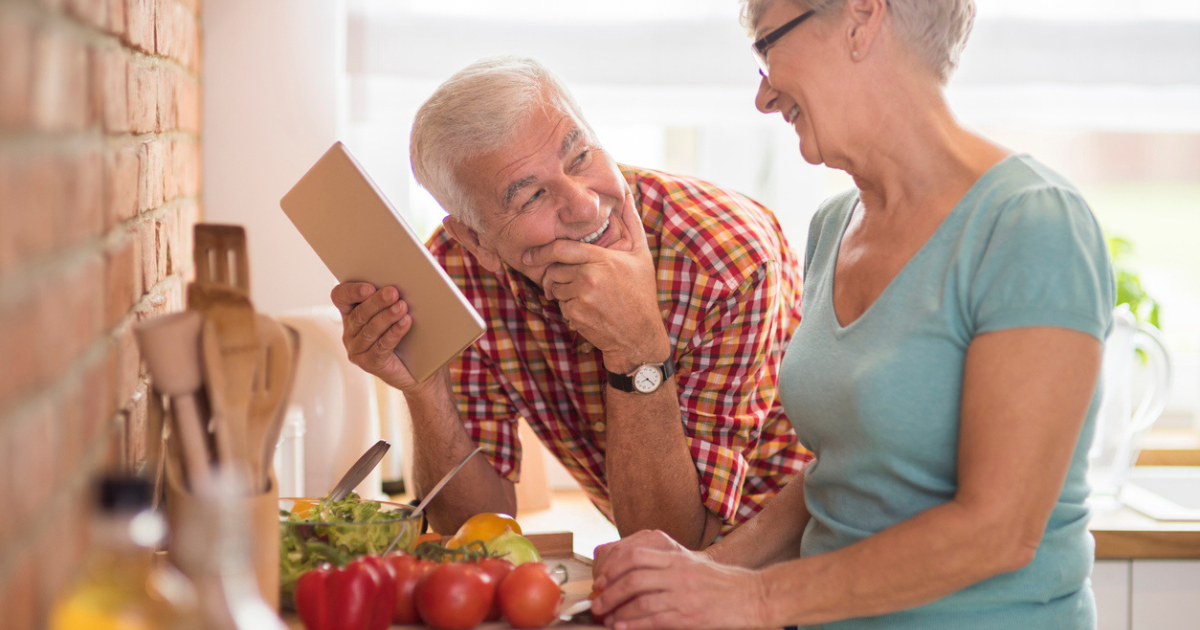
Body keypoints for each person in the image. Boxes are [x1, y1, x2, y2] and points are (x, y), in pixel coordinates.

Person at [590, 0, 1114, 628]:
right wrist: (709, 570)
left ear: (861, 20)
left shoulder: (1029, 222)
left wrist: (755, 600)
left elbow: (999, 531)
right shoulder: (833, 225)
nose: (762, 98)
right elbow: (842, 477)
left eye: (766, 47)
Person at [331, 56, 812, 549]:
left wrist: (638, 347)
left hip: (802, 555)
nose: (585, 206)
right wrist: (425, 388)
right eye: (531, 196)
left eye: (579, 156)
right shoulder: (457, 271)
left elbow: (677, 543)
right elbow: (474, 533)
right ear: (476, 241)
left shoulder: (727, 260)